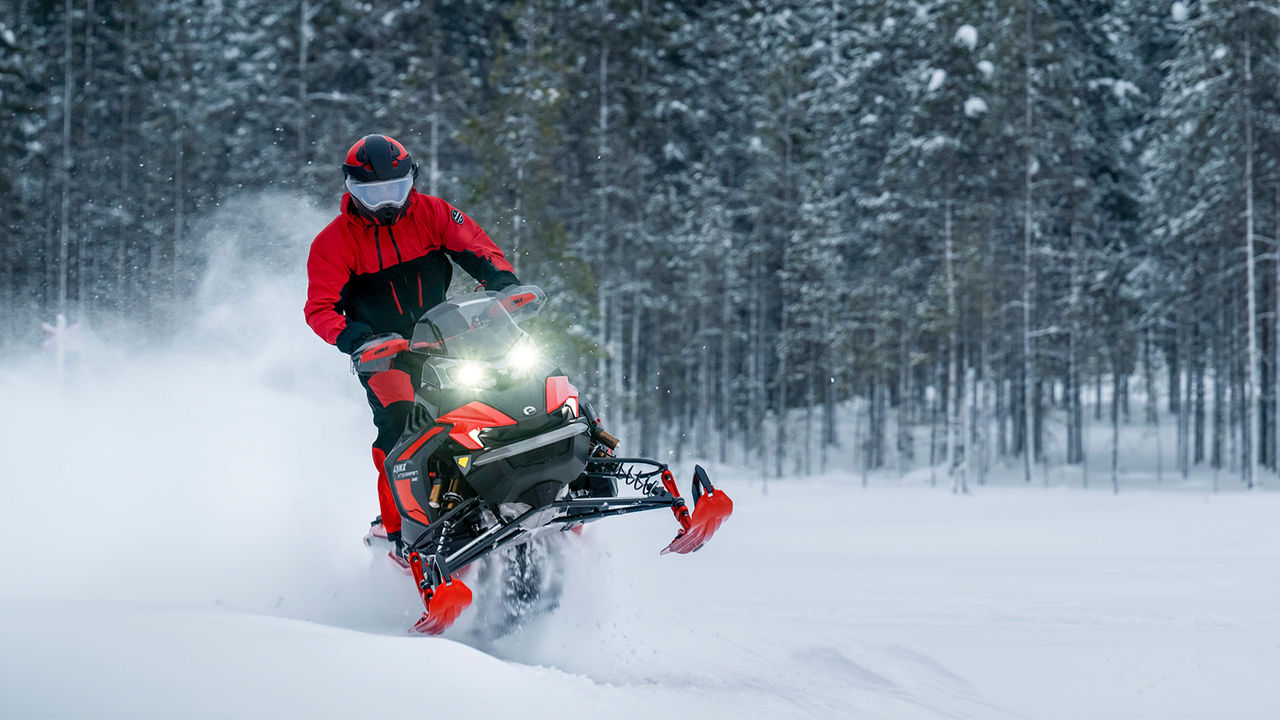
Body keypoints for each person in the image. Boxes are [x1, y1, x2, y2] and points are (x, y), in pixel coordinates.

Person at [304, 134, 520, 557]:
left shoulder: (433, 213)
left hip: (446, 337)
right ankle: (401, 536)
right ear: (351, 188)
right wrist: (355, 337)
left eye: (396, 189)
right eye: (373, 194)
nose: (386, 203)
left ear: (412, 180)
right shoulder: (333, 242)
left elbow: (478, 248)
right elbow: (320, 308)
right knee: (402, 430)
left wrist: (503, 283)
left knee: (508, 388)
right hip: (385, 357)